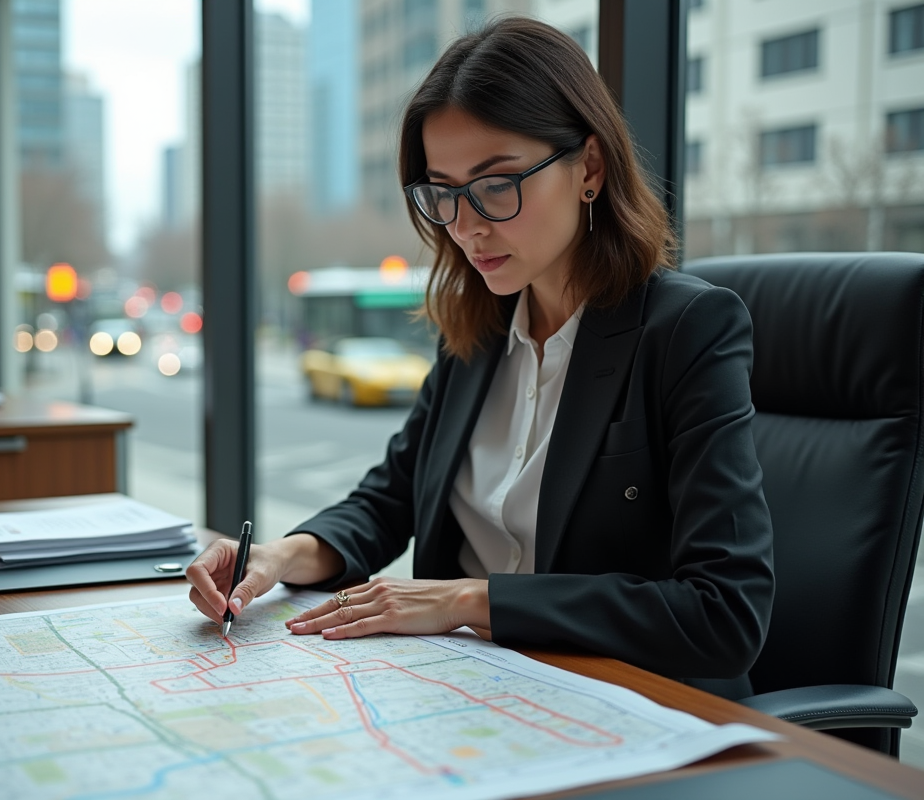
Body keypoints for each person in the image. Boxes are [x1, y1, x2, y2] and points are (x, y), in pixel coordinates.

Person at [186, 16, 774, 694]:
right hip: (471, 694)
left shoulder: (687, 329)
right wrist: (279, 556)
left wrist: (469, 599)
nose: (465, 226)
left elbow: (726, 613)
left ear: (589, 168)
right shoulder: (476, 329)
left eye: (497, 184)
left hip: (625, 703)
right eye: (442, 192)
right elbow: (390, 499)